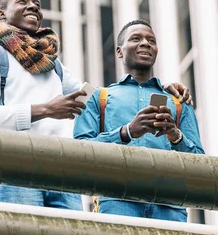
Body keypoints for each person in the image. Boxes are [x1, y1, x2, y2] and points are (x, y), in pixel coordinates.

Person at [0, 0, 191, 210]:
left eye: (37, 4)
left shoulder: (54, 67)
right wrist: (45, 109)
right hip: (15, 167)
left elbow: (100, 100)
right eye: (22, 2)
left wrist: (159, 90)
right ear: (2, 14)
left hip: (62, 172)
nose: (33, 6)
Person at [74, 19, 204, 222]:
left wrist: (175, 135)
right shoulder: (96, 96)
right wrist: (127, 132)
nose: (146, 43)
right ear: (119, 51)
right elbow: (80, 151)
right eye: (136, 38)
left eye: (151, 40)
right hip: (116, 202)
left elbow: (200, 163)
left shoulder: (179, 102)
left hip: (169, 207)